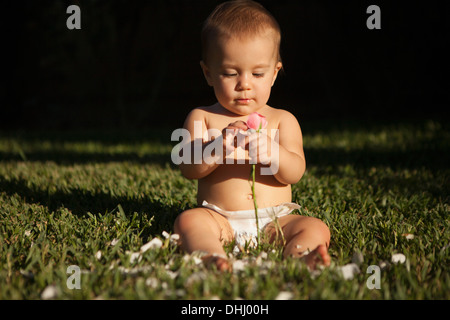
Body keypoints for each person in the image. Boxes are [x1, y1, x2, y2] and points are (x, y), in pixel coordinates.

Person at [174, 0, 330, 271]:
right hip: (219, 217)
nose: (244, 84)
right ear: (208, 74)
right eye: (230, 73)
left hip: (274, 221)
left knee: (315, 226)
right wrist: (216, 147)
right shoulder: (202, 117)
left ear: (274, 74)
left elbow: (295, 172)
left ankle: (300, 256)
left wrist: (273, 153)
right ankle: (212, 256)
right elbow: (188, 168)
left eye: (258, 73)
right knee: (189, 221)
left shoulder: (283, 120)